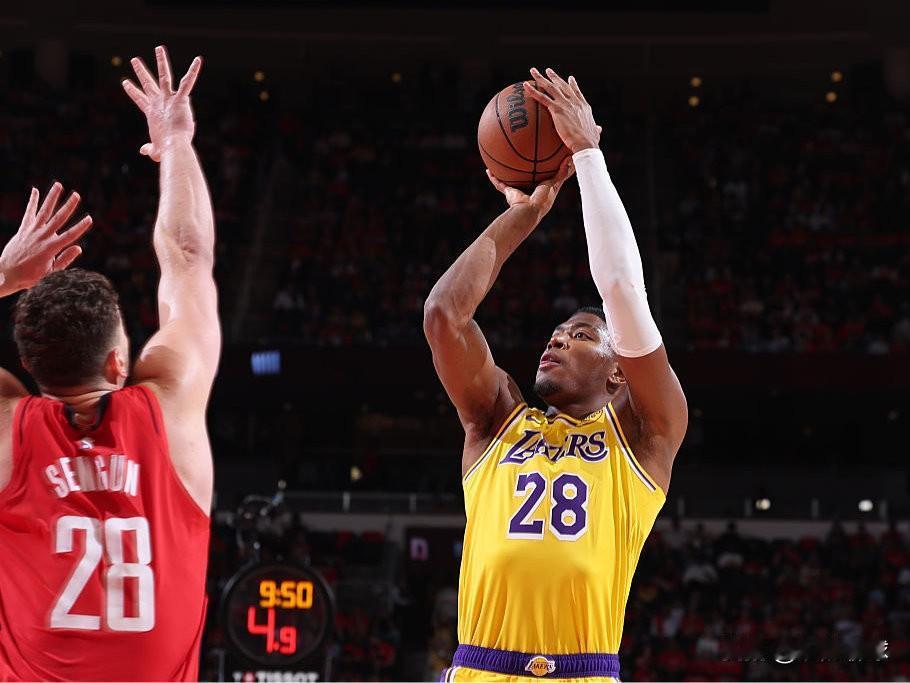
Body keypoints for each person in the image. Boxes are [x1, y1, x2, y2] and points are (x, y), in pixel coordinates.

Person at [424, 67, 687, 682]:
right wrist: (526, 213)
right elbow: (443, 316)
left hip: (584, 670)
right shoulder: (496, 423)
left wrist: (589, 155)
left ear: (619, 373)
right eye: (558, 332)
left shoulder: (645, 437)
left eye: (583, 335)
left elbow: (621, 290)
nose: (558, 337)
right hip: (480, 669)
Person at [0, 45, 219, 681]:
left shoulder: (9, 434)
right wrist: (176, 143)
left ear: (30, 368)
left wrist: (5, 274)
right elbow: (188, 258)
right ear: (121, 362)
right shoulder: (171, 412)